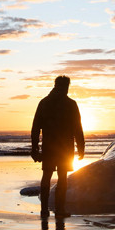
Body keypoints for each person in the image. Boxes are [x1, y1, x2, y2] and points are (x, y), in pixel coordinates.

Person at [31, 75, 85, 218]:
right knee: (61, 177)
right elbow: (78, 128)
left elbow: (36, 127)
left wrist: (34, 147)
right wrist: (81, 148)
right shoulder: (70, 104)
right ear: (65, 86)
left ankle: (44, 210)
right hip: (64, 147)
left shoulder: (44, 102)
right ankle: (59, 210)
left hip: (50, 146)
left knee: (47, 175)